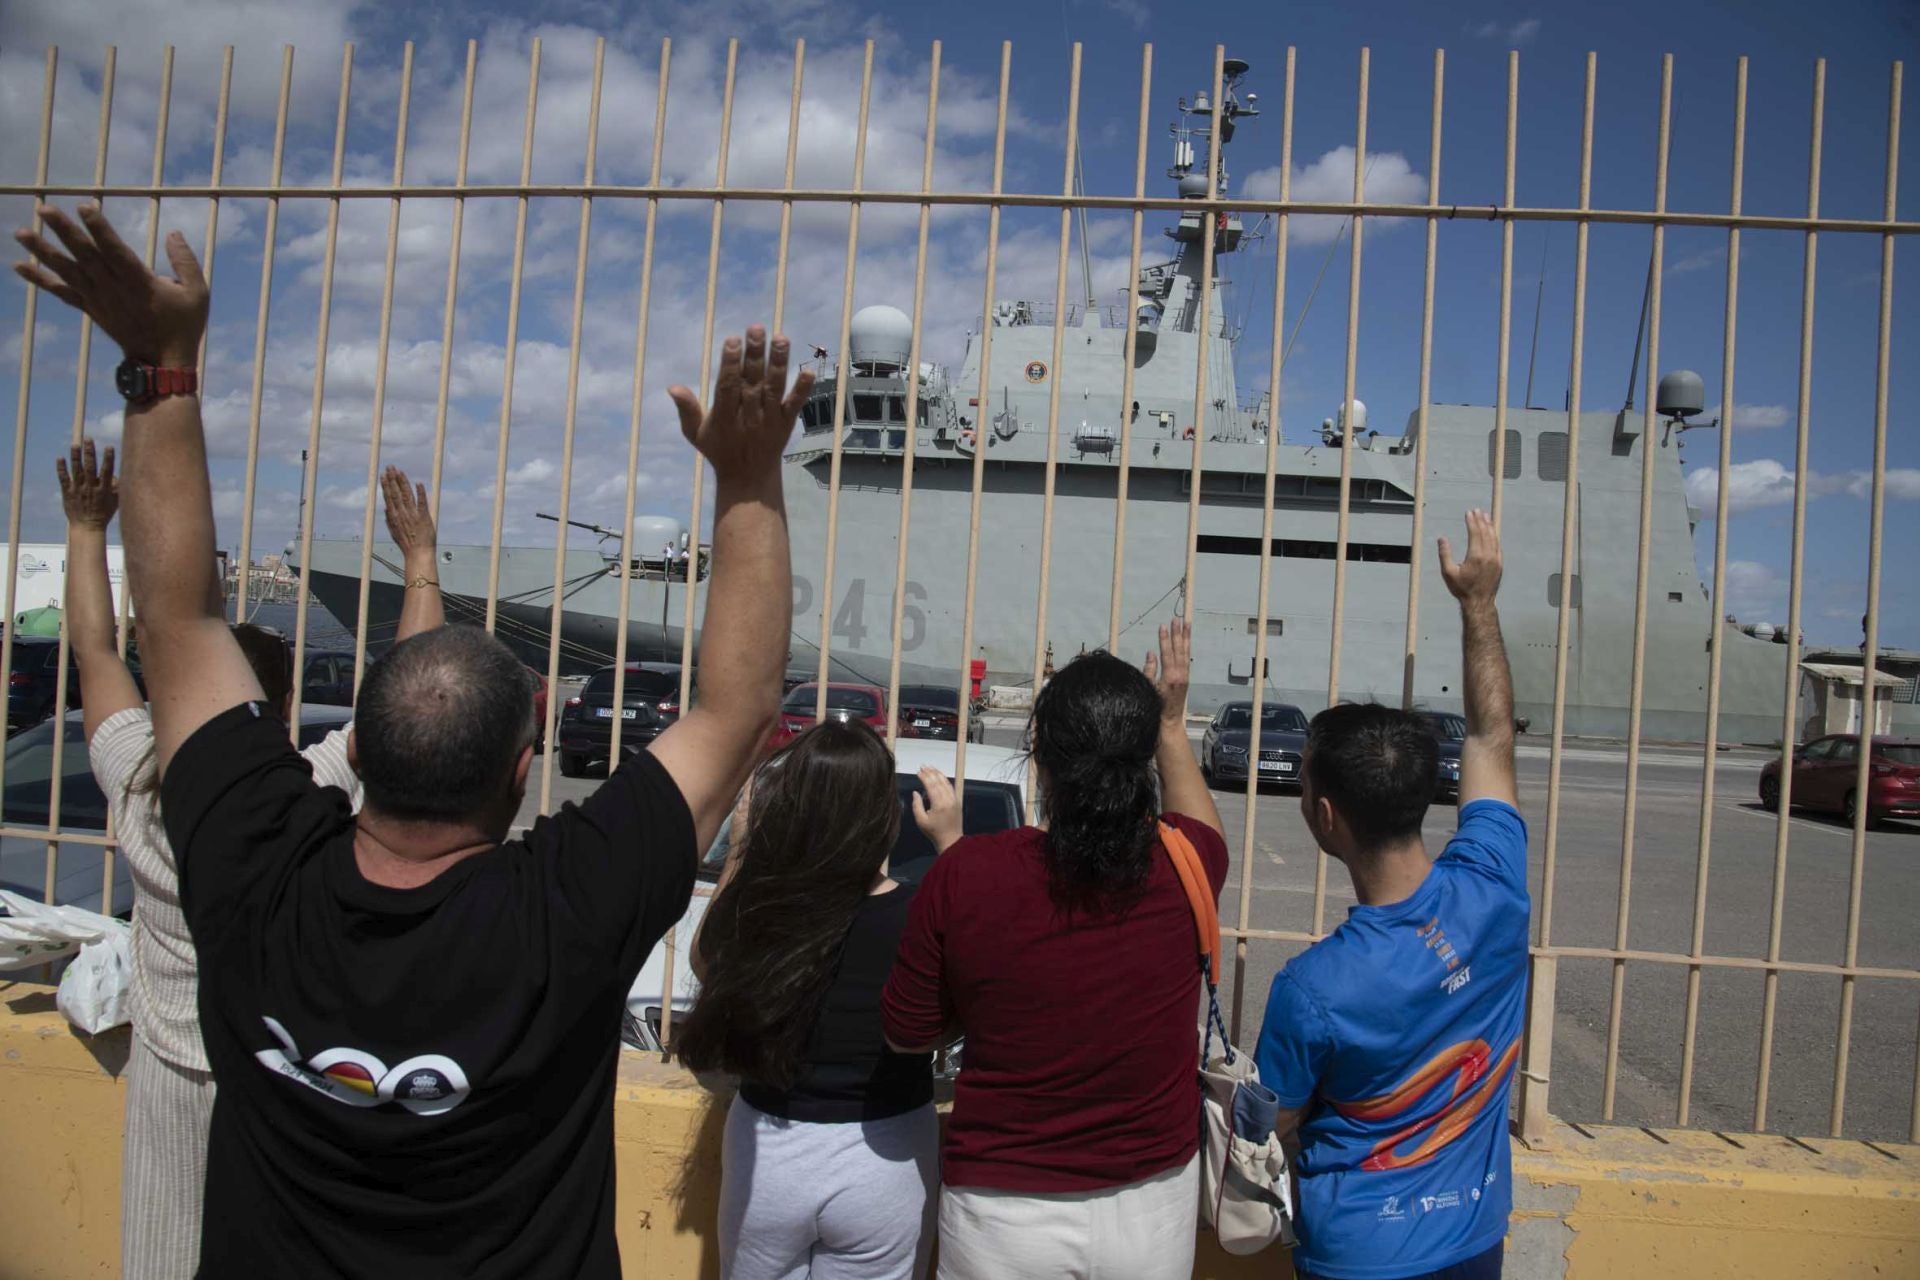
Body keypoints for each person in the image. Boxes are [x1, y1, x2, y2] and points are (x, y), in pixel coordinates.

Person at [14, 200, 811, 1276]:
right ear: (524, 770)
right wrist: (750, 475)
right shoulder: (562, 913)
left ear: (363, 747)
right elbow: (737, 710)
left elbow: (178, 624)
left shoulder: (249, 860)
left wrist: (161, 365)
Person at [60, 444, 447, 1280]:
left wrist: (88, 529)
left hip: (169, 1078)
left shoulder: (136, 779)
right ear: (281, 709)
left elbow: (93, 652)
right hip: (289, 1082)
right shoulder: (307, 792)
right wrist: (418, 560)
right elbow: (404, 692)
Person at [881, 620, 1227, 1280]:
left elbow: (907, 1034)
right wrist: (1173, 727)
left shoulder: (966, 874)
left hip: (1002, 1214)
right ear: (1141, 758)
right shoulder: (1187, 867)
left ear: (1038, 756)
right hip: (1152, 1206)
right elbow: (1204, 830)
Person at [1253, 509, 1526, 1280]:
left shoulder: (1313, 989)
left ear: (1327, 817)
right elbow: (1492, 736)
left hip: (1358, 1253)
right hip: (1473, 1240)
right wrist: (1478, 605)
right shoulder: (1495, 886)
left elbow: (1275, 1121)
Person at [678, 720, 938, 1280]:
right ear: (883, 817)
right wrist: (954, 845)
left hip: (770, 1154)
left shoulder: (767, 902)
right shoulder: (917, 913)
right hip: (885, 1155)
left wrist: (745, 841)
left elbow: (704, 958)